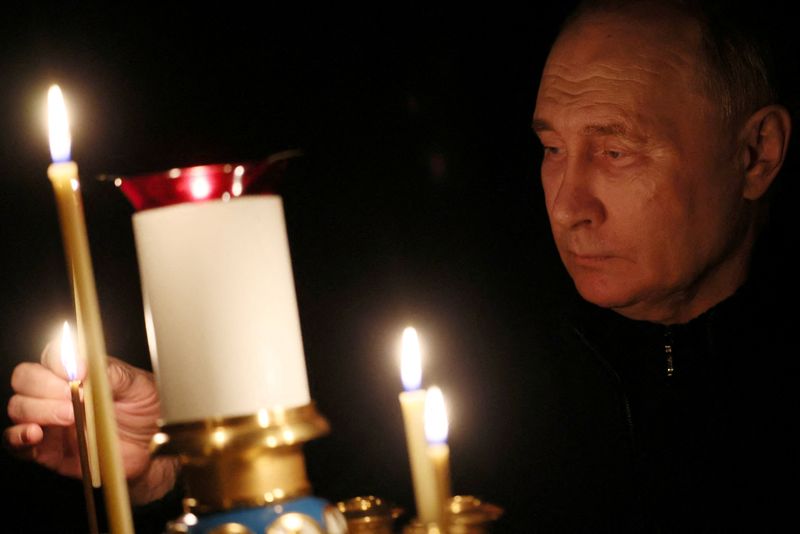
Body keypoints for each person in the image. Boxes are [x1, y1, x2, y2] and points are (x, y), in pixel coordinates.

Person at [4, 0, 799, 531]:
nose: (567, 203)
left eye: (617, 152)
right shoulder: (448, 358)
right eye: (552, 148)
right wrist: (174, 461)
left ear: (756, 153)